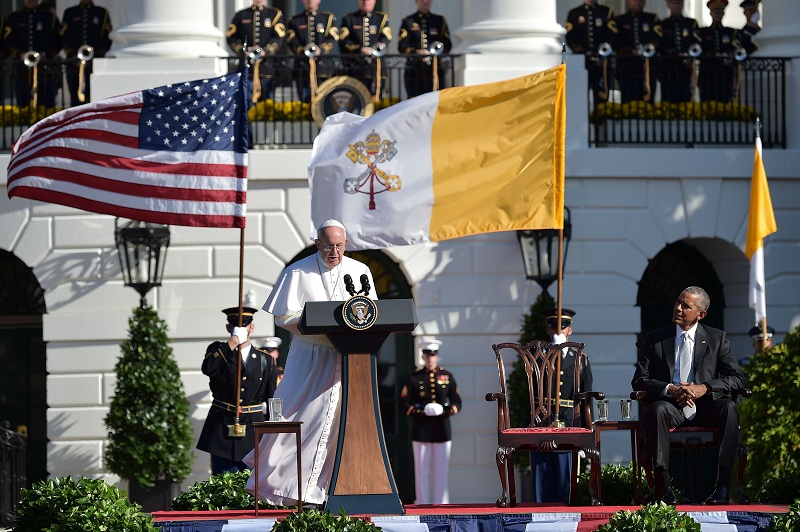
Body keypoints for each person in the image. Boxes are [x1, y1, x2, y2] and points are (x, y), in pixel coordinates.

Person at [243, 219, 377, 507]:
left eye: (340, 246)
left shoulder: (360, 272)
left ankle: (333, 491)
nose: (334, 252)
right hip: (311, 358)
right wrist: (326, 332)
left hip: (350, 363)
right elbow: (282, 318)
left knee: (342, 425)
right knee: (299, 417)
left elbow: (372, 314)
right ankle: (289, 491)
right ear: (318, 243)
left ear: (347, 245)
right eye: (328, 246)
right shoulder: (298, 271)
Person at [632, 286, 745, 504]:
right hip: (671, 407)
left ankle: (722, 489)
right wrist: (671, 389)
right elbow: (639, 379)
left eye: (686, 306)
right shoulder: (656, 338)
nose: (678, 308)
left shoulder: (716, 338)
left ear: (701, 314)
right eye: (678, 302)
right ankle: (664, 489)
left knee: (729, 408)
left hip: (705, 407)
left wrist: (705, 387)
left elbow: (738, 378)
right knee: (656, 410)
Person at [197, 306, 279, 475]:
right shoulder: (219, 352)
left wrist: (277, 430)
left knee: (253, 489)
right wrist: (233, 342)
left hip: (253, 433)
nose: (241, 329)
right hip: (222, 431)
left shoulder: (265, 360)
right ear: (229, 328)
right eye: (235, 325)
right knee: (223, 488)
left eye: (245, 325)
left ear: (252, 327)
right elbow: (208, 368)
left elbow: (273, 396)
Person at [530, 308, 594, 503]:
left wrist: (585, 436)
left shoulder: (580, 360)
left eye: (562, 326)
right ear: (548, 330)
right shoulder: (538, 359)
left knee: (565, 486)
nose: (558, 331)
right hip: (542, 423)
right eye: (553, 326)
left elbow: (586, 399)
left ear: (570, 331)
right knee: (541, 484)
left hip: (568, 424)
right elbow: (531, 394)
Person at [400, 339, 462, 504]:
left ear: (437, 356)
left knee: (442, 471)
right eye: (427, 355)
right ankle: (422, 503)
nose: (430, 359)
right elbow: (405, 404)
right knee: (422, 471)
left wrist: (444, 409)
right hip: (421, 430)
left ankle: (442, 504)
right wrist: (422, 410)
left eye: (433, 355)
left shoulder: (447, 376)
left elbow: (457, 402)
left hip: (442, 430)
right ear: (423, 356)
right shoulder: (414, 378)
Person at [4, 0, 62, 108]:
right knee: (23, 102)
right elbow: (8, 39)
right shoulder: (14, 17)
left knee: (46, 103)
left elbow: (58, 40)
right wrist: (19, 54)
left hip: (44, 68)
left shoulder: (49, 18)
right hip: (21, 68)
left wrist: (44, 54)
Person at [226, 0, 286, 102]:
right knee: (247, 102)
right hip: (247, 68)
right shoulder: (241, 14)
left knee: (267, 105)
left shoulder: (274, 14)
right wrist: (243, 50)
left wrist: (265, 51)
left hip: (267, 67)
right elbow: (230, 36)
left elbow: (278, 37)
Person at [60, 0, 113, 106]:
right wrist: (72, 55)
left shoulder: (101, 12)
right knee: (75, 99)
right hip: (74, 62)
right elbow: (63, 37)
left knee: (95, 97)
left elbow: (107, 37)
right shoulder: (70, 12)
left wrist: (97, 54)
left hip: (95, 63)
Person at [565, 0, 619, 105]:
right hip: (582, 63)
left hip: (601, 63)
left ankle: (601, 120)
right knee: (579, 97)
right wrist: (582, 52)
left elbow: (611, 33)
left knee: (602, 97)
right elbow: (570, 36)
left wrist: (603, 50)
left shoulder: (606, 12)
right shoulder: (574, 13)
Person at [286, 0, 339, 103]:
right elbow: (291, 41)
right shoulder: (294, 20)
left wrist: (321, 50)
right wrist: (304, 51)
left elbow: (332, 39)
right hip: (303, 69)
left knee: (324, 103)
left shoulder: (327, 19)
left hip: (323, 69)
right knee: (305, 103)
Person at [397, 0, 452, 98]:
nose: (425, 1)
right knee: (413, 102)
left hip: (434, 70)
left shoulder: (439, 20)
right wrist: (416, 52)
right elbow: (402, 46)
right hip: (414, 70)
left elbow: (447, 44)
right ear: (416, 1)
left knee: (434, 100)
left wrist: (433, 53)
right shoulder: (408, 21)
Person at [338, 0, 392, 95]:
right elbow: (344, 40)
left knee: (377, 98)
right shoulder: (349, 18)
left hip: (376, 67)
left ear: (374, 2)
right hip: (355, 68)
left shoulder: (381, 18)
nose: (365, 2)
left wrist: (376, 48)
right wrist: (359, 49)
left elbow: (386, 37)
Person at [613, 0, 661, 103]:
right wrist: (630, 51)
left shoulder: (652, 19)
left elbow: (658, 38)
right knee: (628, 103)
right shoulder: (620, 20)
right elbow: (616, 42)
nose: (638, 2)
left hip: (648, 69)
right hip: (627, 69)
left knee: (648, 101)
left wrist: (649, 48)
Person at [654, 0, 701, 103]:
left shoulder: (691, 23)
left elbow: (697, 43)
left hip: (685, 69)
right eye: (673, 3)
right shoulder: (663, 24)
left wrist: (687, 53)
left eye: (679, 3)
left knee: (686, 100)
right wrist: (673, 53)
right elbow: (660, 45)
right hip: (668, 70)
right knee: (668, 100)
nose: (676, 6)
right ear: (668, 5)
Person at [698, 0, 741, 103]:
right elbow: (699, 51)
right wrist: (712, 55)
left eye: (720, 12)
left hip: (725, 76)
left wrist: (726, 56)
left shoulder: (731, 32)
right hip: (707, 75)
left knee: (725, 105)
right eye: (716, 12)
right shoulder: (702, 32)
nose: (718, 15)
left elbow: (736, 50)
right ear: (711, 13)